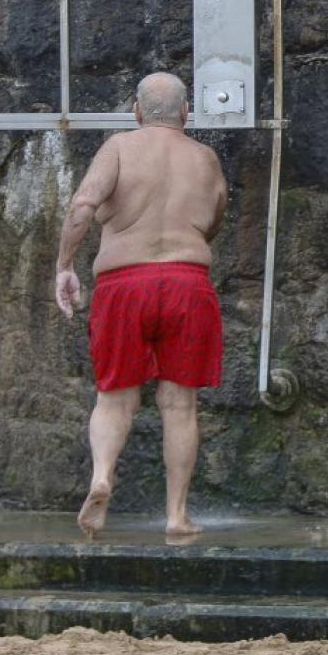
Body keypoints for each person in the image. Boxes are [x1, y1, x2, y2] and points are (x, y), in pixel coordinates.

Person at [54, 71, 227, 541]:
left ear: (136, 111)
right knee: (179, 403)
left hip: (122, 282)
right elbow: (212, 219)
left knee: (114, 396)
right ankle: (176, 515)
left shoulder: (118, 148)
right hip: (186, 283)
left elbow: (83, 206)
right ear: (186, 113)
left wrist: (65, 265)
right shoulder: (206, 159)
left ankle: (103, 475)